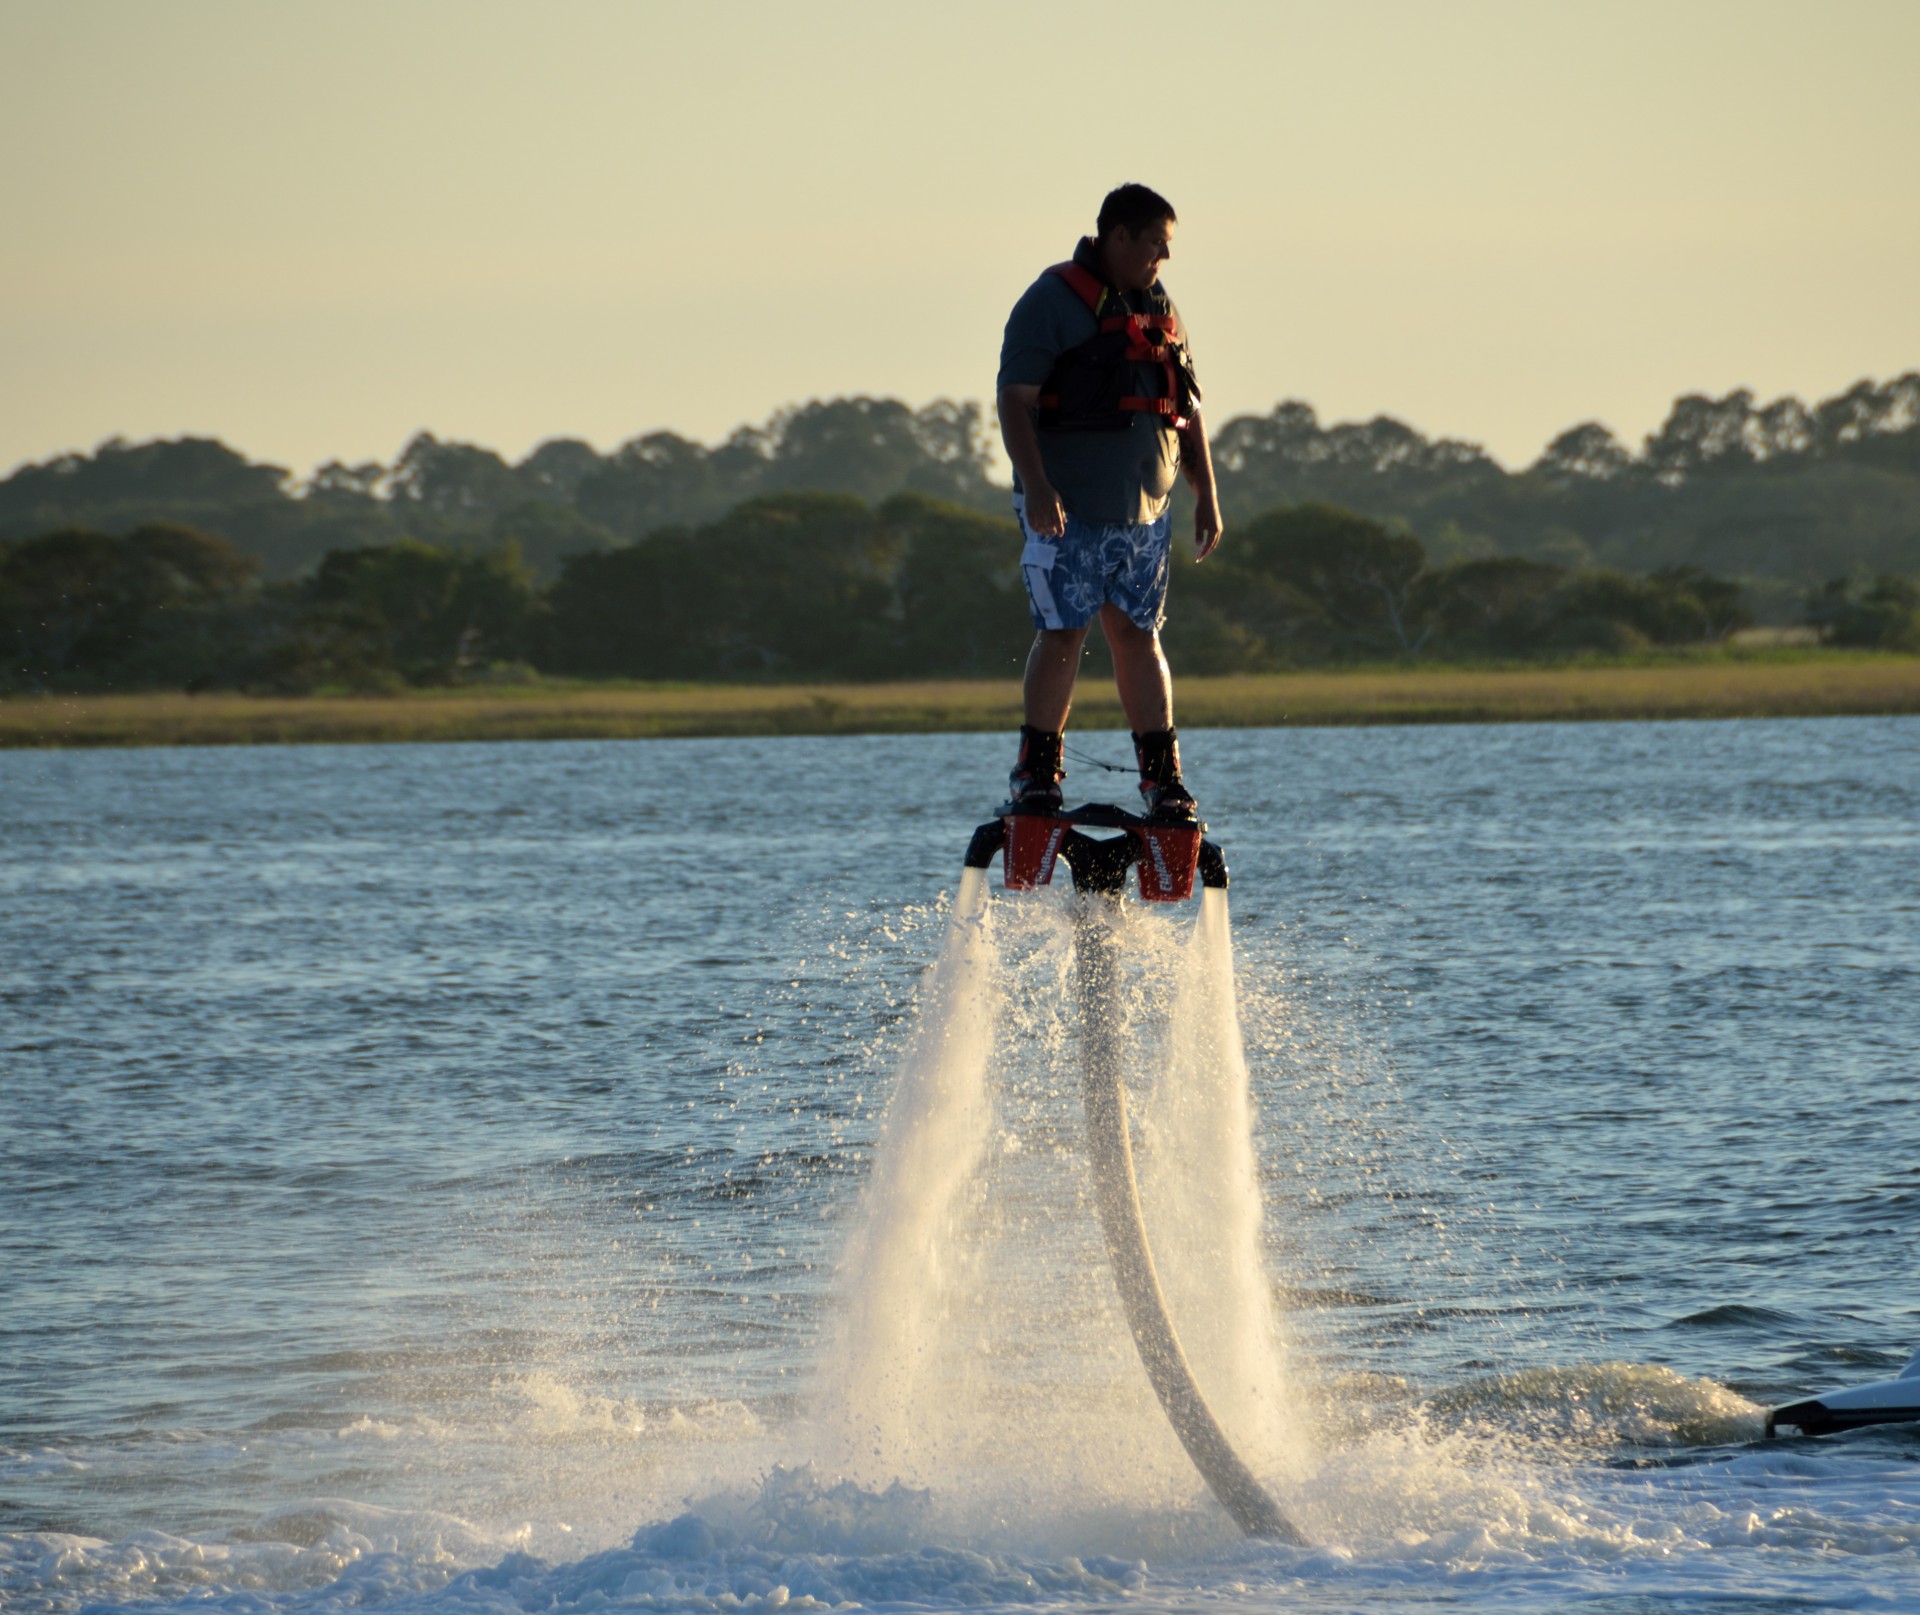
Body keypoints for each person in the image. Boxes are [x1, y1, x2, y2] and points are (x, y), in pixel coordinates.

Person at [996, 182, 1221, 822]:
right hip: (1065, 511)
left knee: (1138, 635)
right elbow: (1014, 400)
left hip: (1146, 514)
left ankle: (1163, 780)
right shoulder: (1051, 302)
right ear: (1118, 237)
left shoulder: (1157, 303)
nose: (1163, 257)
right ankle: (1036, 776)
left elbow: (1188, 406)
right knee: (1063, 632)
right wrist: (1037, 487)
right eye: (1156, 243)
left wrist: (1207, 491)